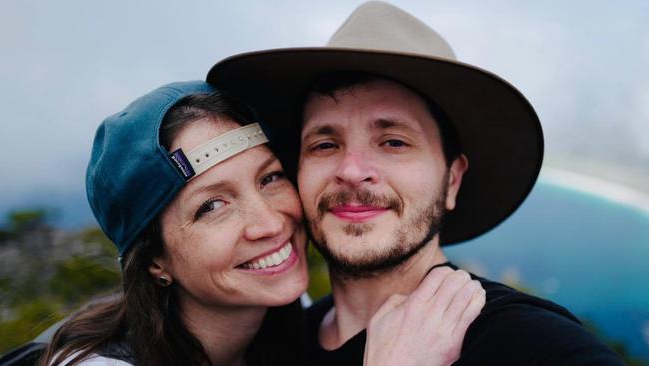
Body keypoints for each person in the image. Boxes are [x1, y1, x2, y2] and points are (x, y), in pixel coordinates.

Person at [206, 1, 625, 365]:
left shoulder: (531, 345)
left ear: (452, 180)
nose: (352, 170)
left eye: (393, 141)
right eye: (325, 144)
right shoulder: (279, 345)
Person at [27, 81, 484, 366]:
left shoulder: (291, 323)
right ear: (155, 261)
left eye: (270, 178)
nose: (269, 223)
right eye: (212, 206)